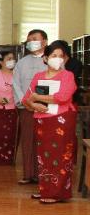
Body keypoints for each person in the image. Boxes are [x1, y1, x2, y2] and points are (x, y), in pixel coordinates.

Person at [21, 42, 77, 204]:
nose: (58, 59)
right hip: (42, 120)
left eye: (61, 56)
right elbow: (26, 99)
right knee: (44, 156)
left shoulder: (67, 76)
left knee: (61, 155)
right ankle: (46, 189)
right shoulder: (38, 76)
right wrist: (34, 105)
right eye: (54, 56)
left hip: (61, 120)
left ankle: (57, 193)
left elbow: (62, 97)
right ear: (45, 58)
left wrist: (37, 97)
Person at [12, 29, 48, 185]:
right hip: (26, 107)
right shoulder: (21, 62)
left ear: (44, 42)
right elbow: (16, 84)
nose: (31, 42)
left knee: (45, 141)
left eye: (34, 38)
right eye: (29, 40)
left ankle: (44, 175)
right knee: (27, 140)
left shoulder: (51, 60)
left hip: (46, 109)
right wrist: (26, 102)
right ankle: (28, 174)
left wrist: (42, 102)